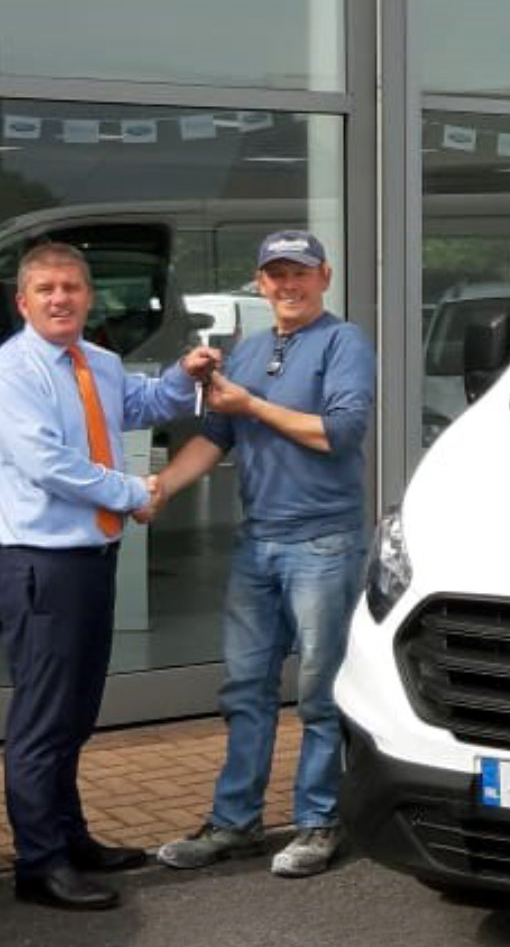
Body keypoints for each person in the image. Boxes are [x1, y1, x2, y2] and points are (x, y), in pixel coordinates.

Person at [0, 241, 216, 912]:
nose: (60, 299)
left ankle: (69, 836)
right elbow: (48, 464)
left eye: (72, 288)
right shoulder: (10, 374)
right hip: (43, 567)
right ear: (23, 302)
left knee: (75, 714)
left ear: (88, 297)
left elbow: (139, 404)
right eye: (46, 289)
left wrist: (185, 373)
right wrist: (134, 492)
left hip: (91, 562)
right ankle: (38, 863)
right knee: (43, 720)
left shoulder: (99, 362)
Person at [153, 230, 374, 880]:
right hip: (258, 542)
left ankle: (318, 821)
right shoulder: (247, 351)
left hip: (324, 541)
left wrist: (251, 403)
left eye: (299, 273)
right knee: (245, 689)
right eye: (275, 274)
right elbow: (214, 439)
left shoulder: (344, 343)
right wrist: (160, 488)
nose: (288, 285)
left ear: (324, 276)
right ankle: (235, 822)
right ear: (259, 282)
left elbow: (339, 432)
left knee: (320, 693)